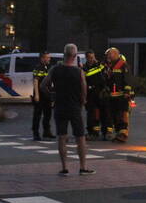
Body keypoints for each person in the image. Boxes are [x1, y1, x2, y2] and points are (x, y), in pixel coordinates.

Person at [42, 43, 94, 175]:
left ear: (64, 54)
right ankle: (82, 167)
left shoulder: (55, 69)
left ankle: (64, 167)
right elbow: (84, 89)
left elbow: (43, 85)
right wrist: (82, 101)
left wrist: (52, 96)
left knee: (61, 137)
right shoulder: (79, 71)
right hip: (74, 107)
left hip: (60, 106)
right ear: (75, 56)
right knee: (80, 137)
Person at [104, 47, 131, 142]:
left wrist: (127, 92)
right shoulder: (108, 65)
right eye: (107, 55)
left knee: (122, 115)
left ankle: (123, 134)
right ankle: (117, 133)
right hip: (111, 96)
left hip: (121, 95)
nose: (108, 56)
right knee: (113, 115)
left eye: (109, 54)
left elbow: (127, 79)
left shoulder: (123, 65)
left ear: (115, 54)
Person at [82, 50, 108, 140]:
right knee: (91, 114)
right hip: (90, 94)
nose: (92, 59)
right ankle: (92, 132)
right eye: (90, 57)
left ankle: (105, 132)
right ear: (86, 58)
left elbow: (105, 74)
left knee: (104, 114)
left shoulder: (99, 65)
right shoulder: (84, 68)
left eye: (93, 57)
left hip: (101, 93)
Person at [30, 51, 54, 141]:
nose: (49, 59)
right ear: (42, 58)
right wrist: (36, 94)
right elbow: (35, 81)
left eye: (49, 57)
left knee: (48, 114)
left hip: (47, 94)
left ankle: (46, 132)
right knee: (37, 114)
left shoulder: (49, 67)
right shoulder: (38, 68)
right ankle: (35, 133)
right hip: (40, 94)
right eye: (47, 57)